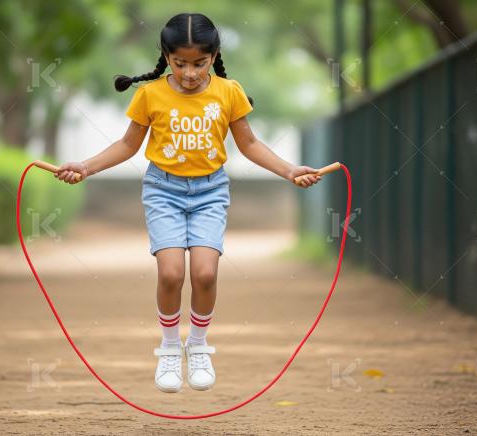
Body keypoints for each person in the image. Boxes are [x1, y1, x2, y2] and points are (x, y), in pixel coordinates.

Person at [55, 12, 322, 393]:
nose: (190, 72)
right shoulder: (149, 94)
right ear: (166, 56)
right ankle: (167, 348)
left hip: (210, 191)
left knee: (204, 274)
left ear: (214, 57)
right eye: (180, 63)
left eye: (199, 63)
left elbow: (249, 144)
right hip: (163, 190)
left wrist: (290, 170)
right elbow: (128, 145)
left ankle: (197, 345)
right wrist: (85, 166)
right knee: (171, 274)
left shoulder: (229, 92)